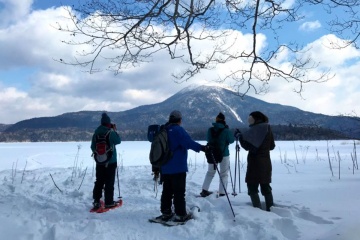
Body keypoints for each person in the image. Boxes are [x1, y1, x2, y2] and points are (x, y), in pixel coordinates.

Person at [155, 110, 206, 223]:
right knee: (179, 192)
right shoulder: (178, 130)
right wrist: (202, 148)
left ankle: (166, 212)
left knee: (167, 191)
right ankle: (180, 214)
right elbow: (188, 142)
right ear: (179, 120)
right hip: (177, 167)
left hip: (165, 167)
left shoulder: (164, 129)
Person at [235, 111, 275, 211]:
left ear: (255, 119)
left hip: (255, 164)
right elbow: (272, 146)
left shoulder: (257, 128)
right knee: (265, 186)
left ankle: (257, 210)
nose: (249, 120)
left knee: (252, 186)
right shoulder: (267, 128)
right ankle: (271, 208)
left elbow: (248, 146)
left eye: (250, 118)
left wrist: (240, 137)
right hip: (266, 162)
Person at [200, 112, 234, 197]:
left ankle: (204, 190)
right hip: (224, 154)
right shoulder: (226, 130)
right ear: (224, 120)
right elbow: (231, 140)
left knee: (210, 172)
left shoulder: (210, 130)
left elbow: (208, 139)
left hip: (212, 153)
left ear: (216, 120)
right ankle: (222, 192)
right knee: (223, 173)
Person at [91, 112, 121, 209]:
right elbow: (118, 141)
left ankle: (96, 201)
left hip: (99, 161)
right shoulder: (110, 132)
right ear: (108, 123)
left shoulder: (96, 133)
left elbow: (92, 147)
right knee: (109, 182)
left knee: (99, 181)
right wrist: (114, 130)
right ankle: (108, 202)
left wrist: (100, 154)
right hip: (111, 161)